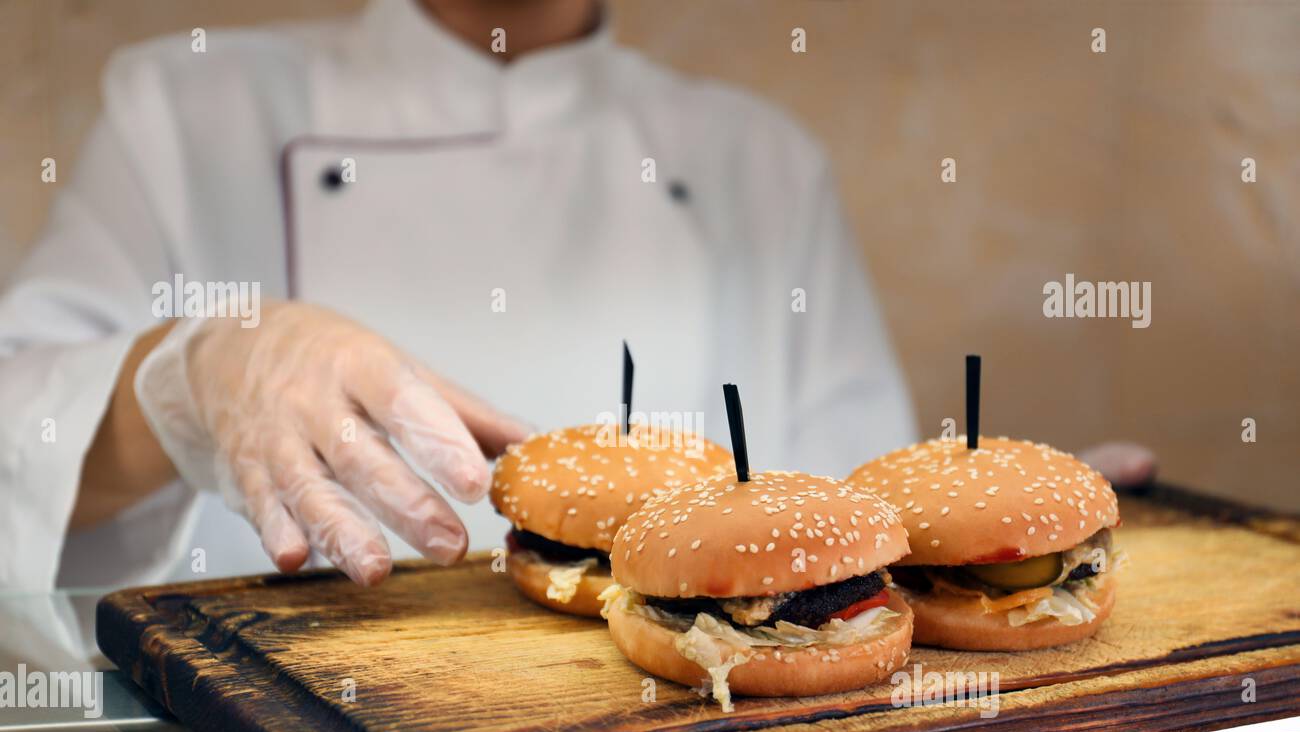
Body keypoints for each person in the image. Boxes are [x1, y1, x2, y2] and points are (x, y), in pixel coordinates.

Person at [0, 0, 1150, 592]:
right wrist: (195, 368)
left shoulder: (755, 159)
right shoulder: (183, 108)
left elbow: (848, 538)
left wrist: (1004, 549)